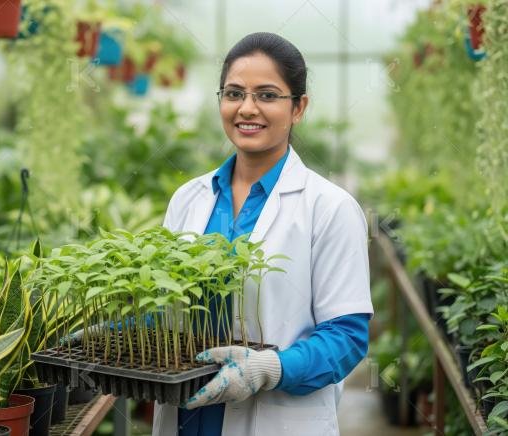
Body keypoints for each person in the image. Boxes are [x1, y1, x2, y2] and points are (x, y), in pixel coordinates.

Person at [153, 32, 374, 436]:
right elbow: (170, 306)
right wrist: (113, 331)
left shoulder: (330, 208)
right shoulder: (188, 198)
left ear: (298, 107)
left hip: (277, 419)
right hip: (186, 419)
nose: (247, 109)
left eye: (267, 95)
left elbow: (346, 338)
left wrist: (268, 369)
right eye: (234, 93)